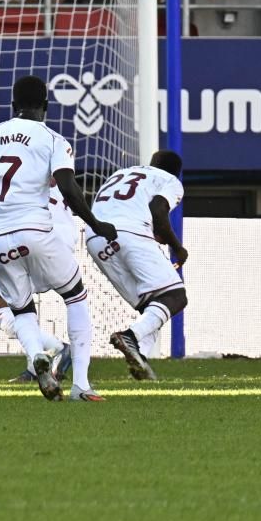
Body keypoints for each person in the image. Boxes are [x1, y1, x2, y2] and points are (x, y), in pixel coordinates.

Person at [0, 74, 116, 401]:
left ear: (11, 107)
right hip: (37, 232)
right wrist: (95, 222)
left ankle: (37, 353)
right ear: (47, 107)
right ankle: (81, 384)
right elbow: (68, 187)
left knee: (21, 309)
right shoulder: (53, 139)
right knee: (75, 295)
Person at [87, 150, 190, 381]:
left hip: (94, 238)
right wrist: (177, 247)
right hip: (129, 231)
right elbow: (158, 210)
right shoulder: (170, 181)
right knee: (175, 296)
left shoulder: (121, 173)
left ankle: (139, 362)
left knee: (153, 306)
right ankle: (130, 337)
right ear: (177, 172)